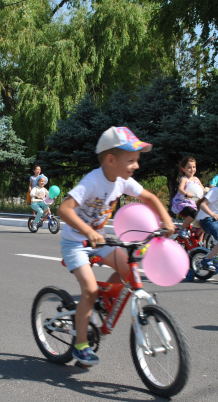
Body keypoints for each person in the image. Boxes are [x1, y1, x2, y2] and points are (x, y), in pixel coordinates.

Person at [57, 126, 174, 366]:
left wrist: (166, 219)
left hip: (100, 240)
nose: (136, 165)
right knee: (88, 290)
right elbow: (64, 209)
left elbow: (149, 197)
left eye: (137, 160)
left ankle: (102, 300)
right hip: (76, 242)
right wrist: (88, 231)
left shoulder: (123, 181)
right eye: (131, 160)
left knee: (128, 269)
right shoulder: (92, 181)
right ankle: (80, 345)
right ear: (111, 159)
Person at [171, 156, 203, 239]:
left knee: (204, 215)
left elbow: (202, 190)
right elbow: (180, 189)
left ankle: (200, 240)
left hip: (193, 203)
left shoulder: (196, 179)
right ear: (183, 169)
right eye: (189, 167)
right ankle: (183, 229)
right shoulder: (184, 179)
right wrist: (186, 194)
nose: (192, 169)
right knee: (194, 213)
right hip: (182, 203)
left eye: (194, 167)